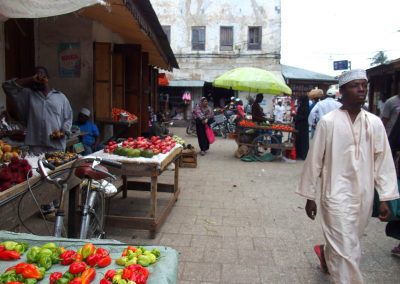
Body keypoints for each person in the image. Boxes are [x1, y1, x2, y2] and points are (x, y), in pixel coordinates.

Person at [296, 69, 399, 284]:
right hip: (333, 194)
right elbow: (314, 160)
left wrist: (387, 197)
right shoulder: (328, 122)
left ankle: (326, 252)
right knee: (346, 250)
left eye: (364, 85)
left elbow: (384, 161)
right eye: (355, 85)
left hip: (363, 195)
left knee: (349, 243)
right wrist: (309, 195)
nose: (361, 89)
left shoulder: (374, 123)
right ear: (342, 91)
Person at [2, 66, 73, 155]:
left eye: (41, 74)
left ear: (47, 77)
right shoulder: (28, 95)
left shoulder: (60, 97)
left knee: (58, 168)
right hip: (36, 148)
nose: (39, 77)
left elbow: (68, 118)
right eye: (36, 75)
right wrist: (31, 79)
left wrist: (63, 132)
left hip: (56, 146)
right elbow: (7, 86)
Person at [294, 95, 309, 160]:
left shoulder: (305, 107)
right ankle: (299, 154)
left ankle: (303, 155)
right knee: (299, 140)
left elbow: (304, 117)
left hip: (303, 126)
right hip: (300, 125)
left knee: (302, 141)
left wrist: (297, 117)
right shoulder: (302, 106)